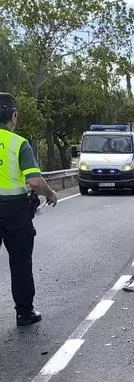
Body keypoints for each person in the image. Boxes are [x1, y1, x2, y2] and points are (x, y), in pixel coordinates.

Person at [0, 93, 58, 326]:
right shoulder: (18, 143)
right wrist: (50, 194)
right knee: (20, 263)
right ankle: (24, 313)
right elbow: (34, 181)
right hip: (15, 212)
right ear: (13, 116)